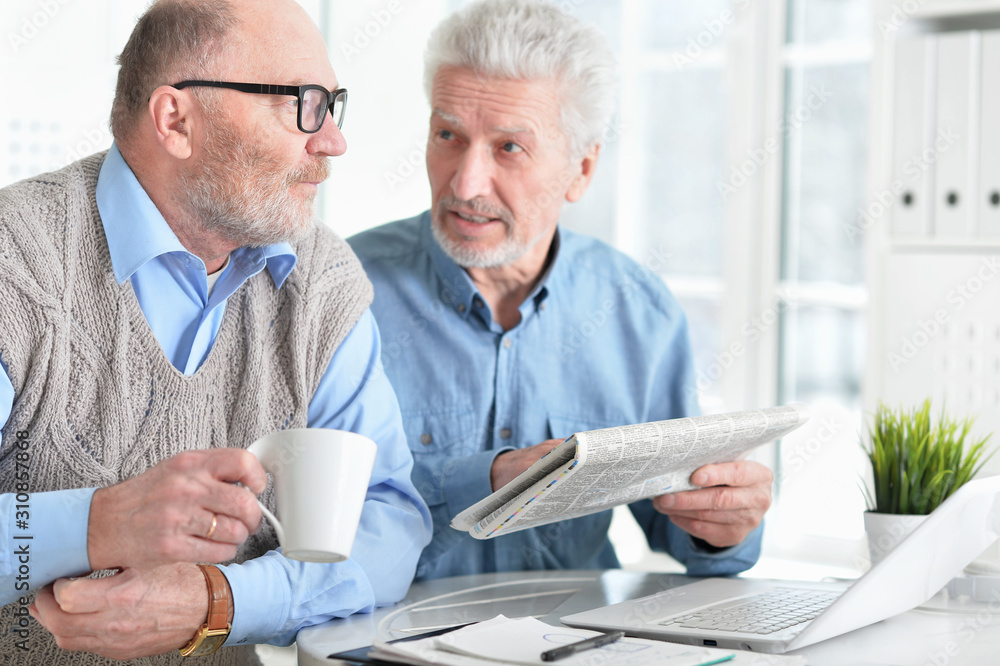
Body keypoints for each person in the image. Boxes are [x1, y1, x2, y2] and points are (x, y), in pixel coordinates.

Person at [0, 0, 431, 663]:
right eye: (301, 103)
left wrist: (216, 600)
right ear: (176, 119)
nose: (332, 140)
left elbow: (390, 521)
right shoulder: (15, 263)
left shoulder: (319, 281)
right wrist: (99, 525)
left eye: (331, 104)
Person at [349, 0, 771, 581]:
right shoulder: (340, 293)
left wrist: (725, 522)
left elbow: (674, 524)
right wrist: (490, 481)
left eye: (509, 148)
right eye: (448, 134)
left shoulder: (637, 313)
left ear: (582, 171)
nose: (466, 183)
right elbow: (299, 516)